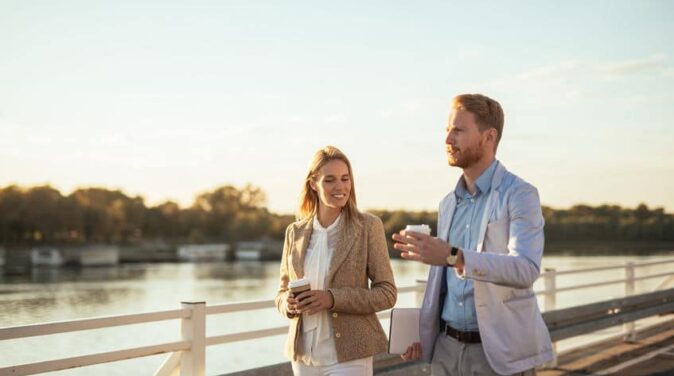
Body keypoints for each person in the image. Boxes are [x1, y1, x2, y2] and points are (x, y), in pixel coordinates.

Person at [392, 94, 553, 375]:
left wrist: (454, 256)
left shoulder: (520, 194)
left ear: (488, 137)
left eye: (458, 130)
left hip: (497, 356)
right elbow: (443, 284)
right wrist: (424, 331)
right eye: (447, 130)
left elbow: (526, 269)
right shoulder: (447, 203)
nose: (447, 140)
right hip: (445, 350)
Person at [275, 145, 397, 376]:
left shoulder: (368, 227)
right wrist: (288, 305)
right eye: (330, 180)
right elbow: (281, 292)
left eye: (345, 178)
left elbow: (387, 293)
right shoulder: (295, 231)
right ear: (313, 184)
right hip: (304, 356)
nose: (340, 187)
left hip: (350, 354)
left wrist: (331, 298)